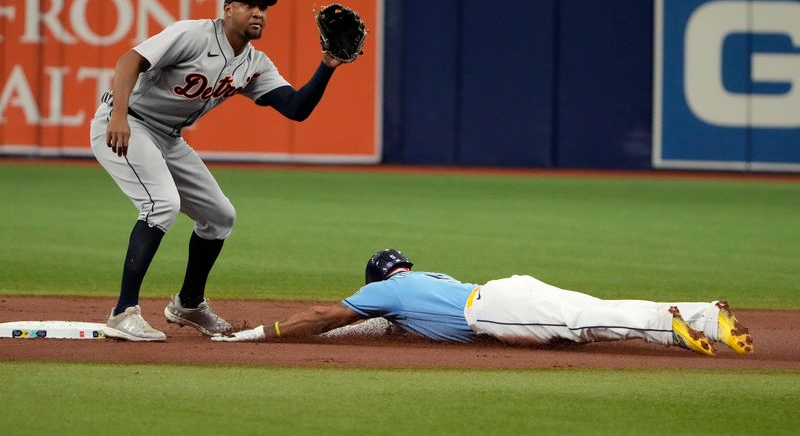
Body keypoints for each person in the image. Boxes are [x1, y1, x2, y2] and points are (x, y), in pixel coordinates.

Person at [91, 0, 353, 341]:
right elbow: (129, 60)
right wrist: (118, 115)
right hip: (127, 123)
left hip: (167, 137)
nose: (258, 13)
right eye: (249, 4)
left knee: (219, 216)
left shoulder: (254, 64)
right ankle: (123, 313)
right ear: (227, 9)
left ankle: (188, 303)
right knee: (162, 204)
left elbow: (296, 108)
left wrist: (327, 65)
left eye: (263, 7)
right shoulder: (193, 34)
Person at [213, 249, 755, 357]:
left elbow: (329, 317)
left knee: (583, 318)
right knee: (586, 311)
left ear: (375, 281)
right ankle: (704, 312)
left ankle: (670, 321)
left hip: (490, 307)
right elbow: (378, 329)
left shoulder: (386, 291)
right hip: (503, 290)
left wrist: (265, 333)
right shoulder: (421, 281)